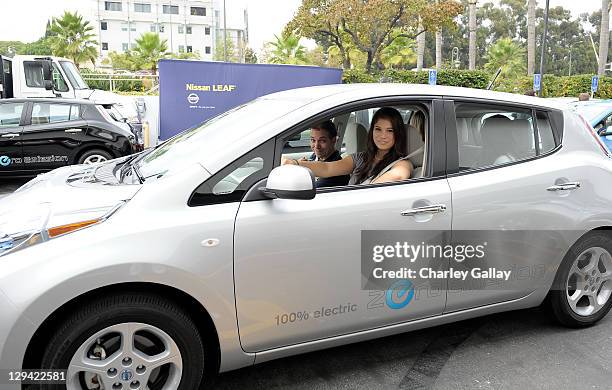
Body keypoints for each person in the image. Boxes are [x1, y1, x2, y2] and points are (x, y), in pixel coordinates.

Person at [282, 107, 412, 185]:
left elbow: (398, 176)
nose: (382, 136)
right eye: (378, 129)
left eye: (390, 131)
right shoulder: (360, 158)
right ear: (372, 130)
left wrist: (356, 195)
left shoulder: (402, 163)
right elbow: (327, 168)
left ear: (398, 134)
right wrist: (296, 164)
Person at [305, 120, 350, 188]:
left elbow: (311, 189)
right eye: (313, 140)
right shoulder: (314, 157)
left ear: (333, 140)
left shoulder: (337, 170)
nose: (316, 146)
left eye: (322, 141)